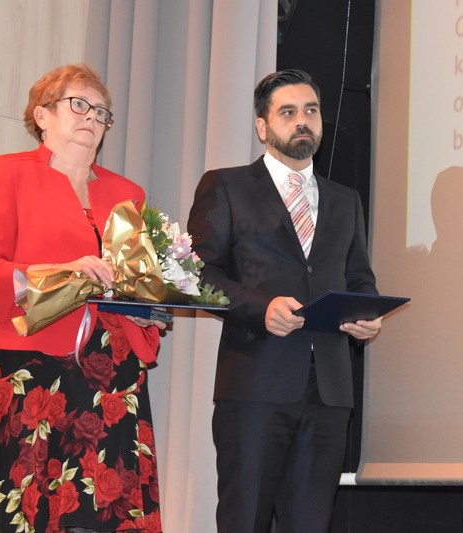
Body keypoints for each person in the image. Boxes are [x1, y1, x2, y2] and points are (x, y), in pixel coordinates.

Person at [0, 64, 164, 533]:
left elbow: (136, 282)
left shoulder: (127, 193)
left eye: (102, 112)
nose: (92, 117)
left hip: (112, 377)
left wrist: (149, 306)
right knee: (22, 512)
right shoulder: (7, 173)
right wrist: (56, 276)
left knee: (104, 516)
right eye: (79, 105)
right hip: (33, 372)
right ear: (42, 115)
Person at [187, 69, 381, 533]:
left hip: (329, 392)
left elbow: (360, 280)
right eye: (288, 112)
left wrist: (367, 314)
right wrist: (260, 308)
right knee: (245, 520)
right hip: (255, 385)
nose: (302, 121)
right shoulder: (226, 186)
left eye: (310, 111)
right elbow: (197, 274)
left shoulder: (345, 200)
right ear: (262, 126)